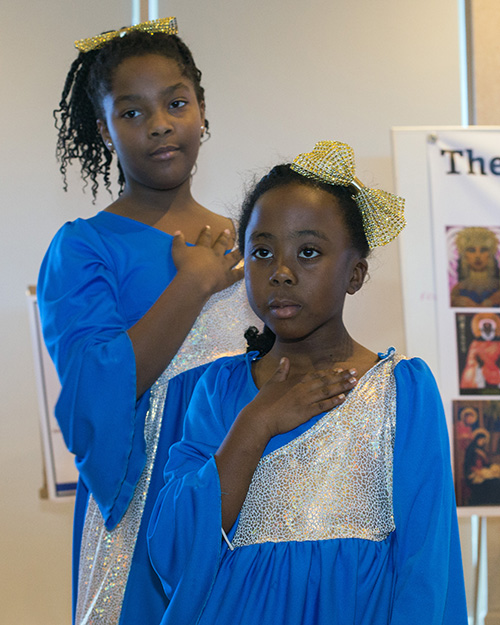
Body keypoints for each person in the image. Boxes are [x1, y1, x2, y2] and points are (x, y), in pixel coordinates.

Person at [39, 18, 349, 625]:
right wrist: (194, 282)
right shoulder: (84, 248)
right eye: (132, 113)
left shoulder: (252, 241)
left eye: (176, 102)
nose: (159, 122)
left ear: (201, 110)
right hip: (148, 505)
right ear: (103, 129)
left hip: (250, 492)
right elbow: (93, 392)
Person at [148, 140, 468, 624]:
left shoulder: (401, 391)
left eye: (309, 252)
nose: (281, 272)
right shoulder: (217, 391)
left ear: (355, 274)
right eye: (262, 252)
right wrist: (257, 422)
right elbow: (172, 548)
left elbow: (428, 564)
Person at [450, 226, 500, 307]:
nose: (478, 256)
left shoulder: (498, 287)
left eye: (483, 250)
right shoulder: (457, 291)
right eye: (472, 250)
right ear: (464, 255)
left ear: (490, 254)